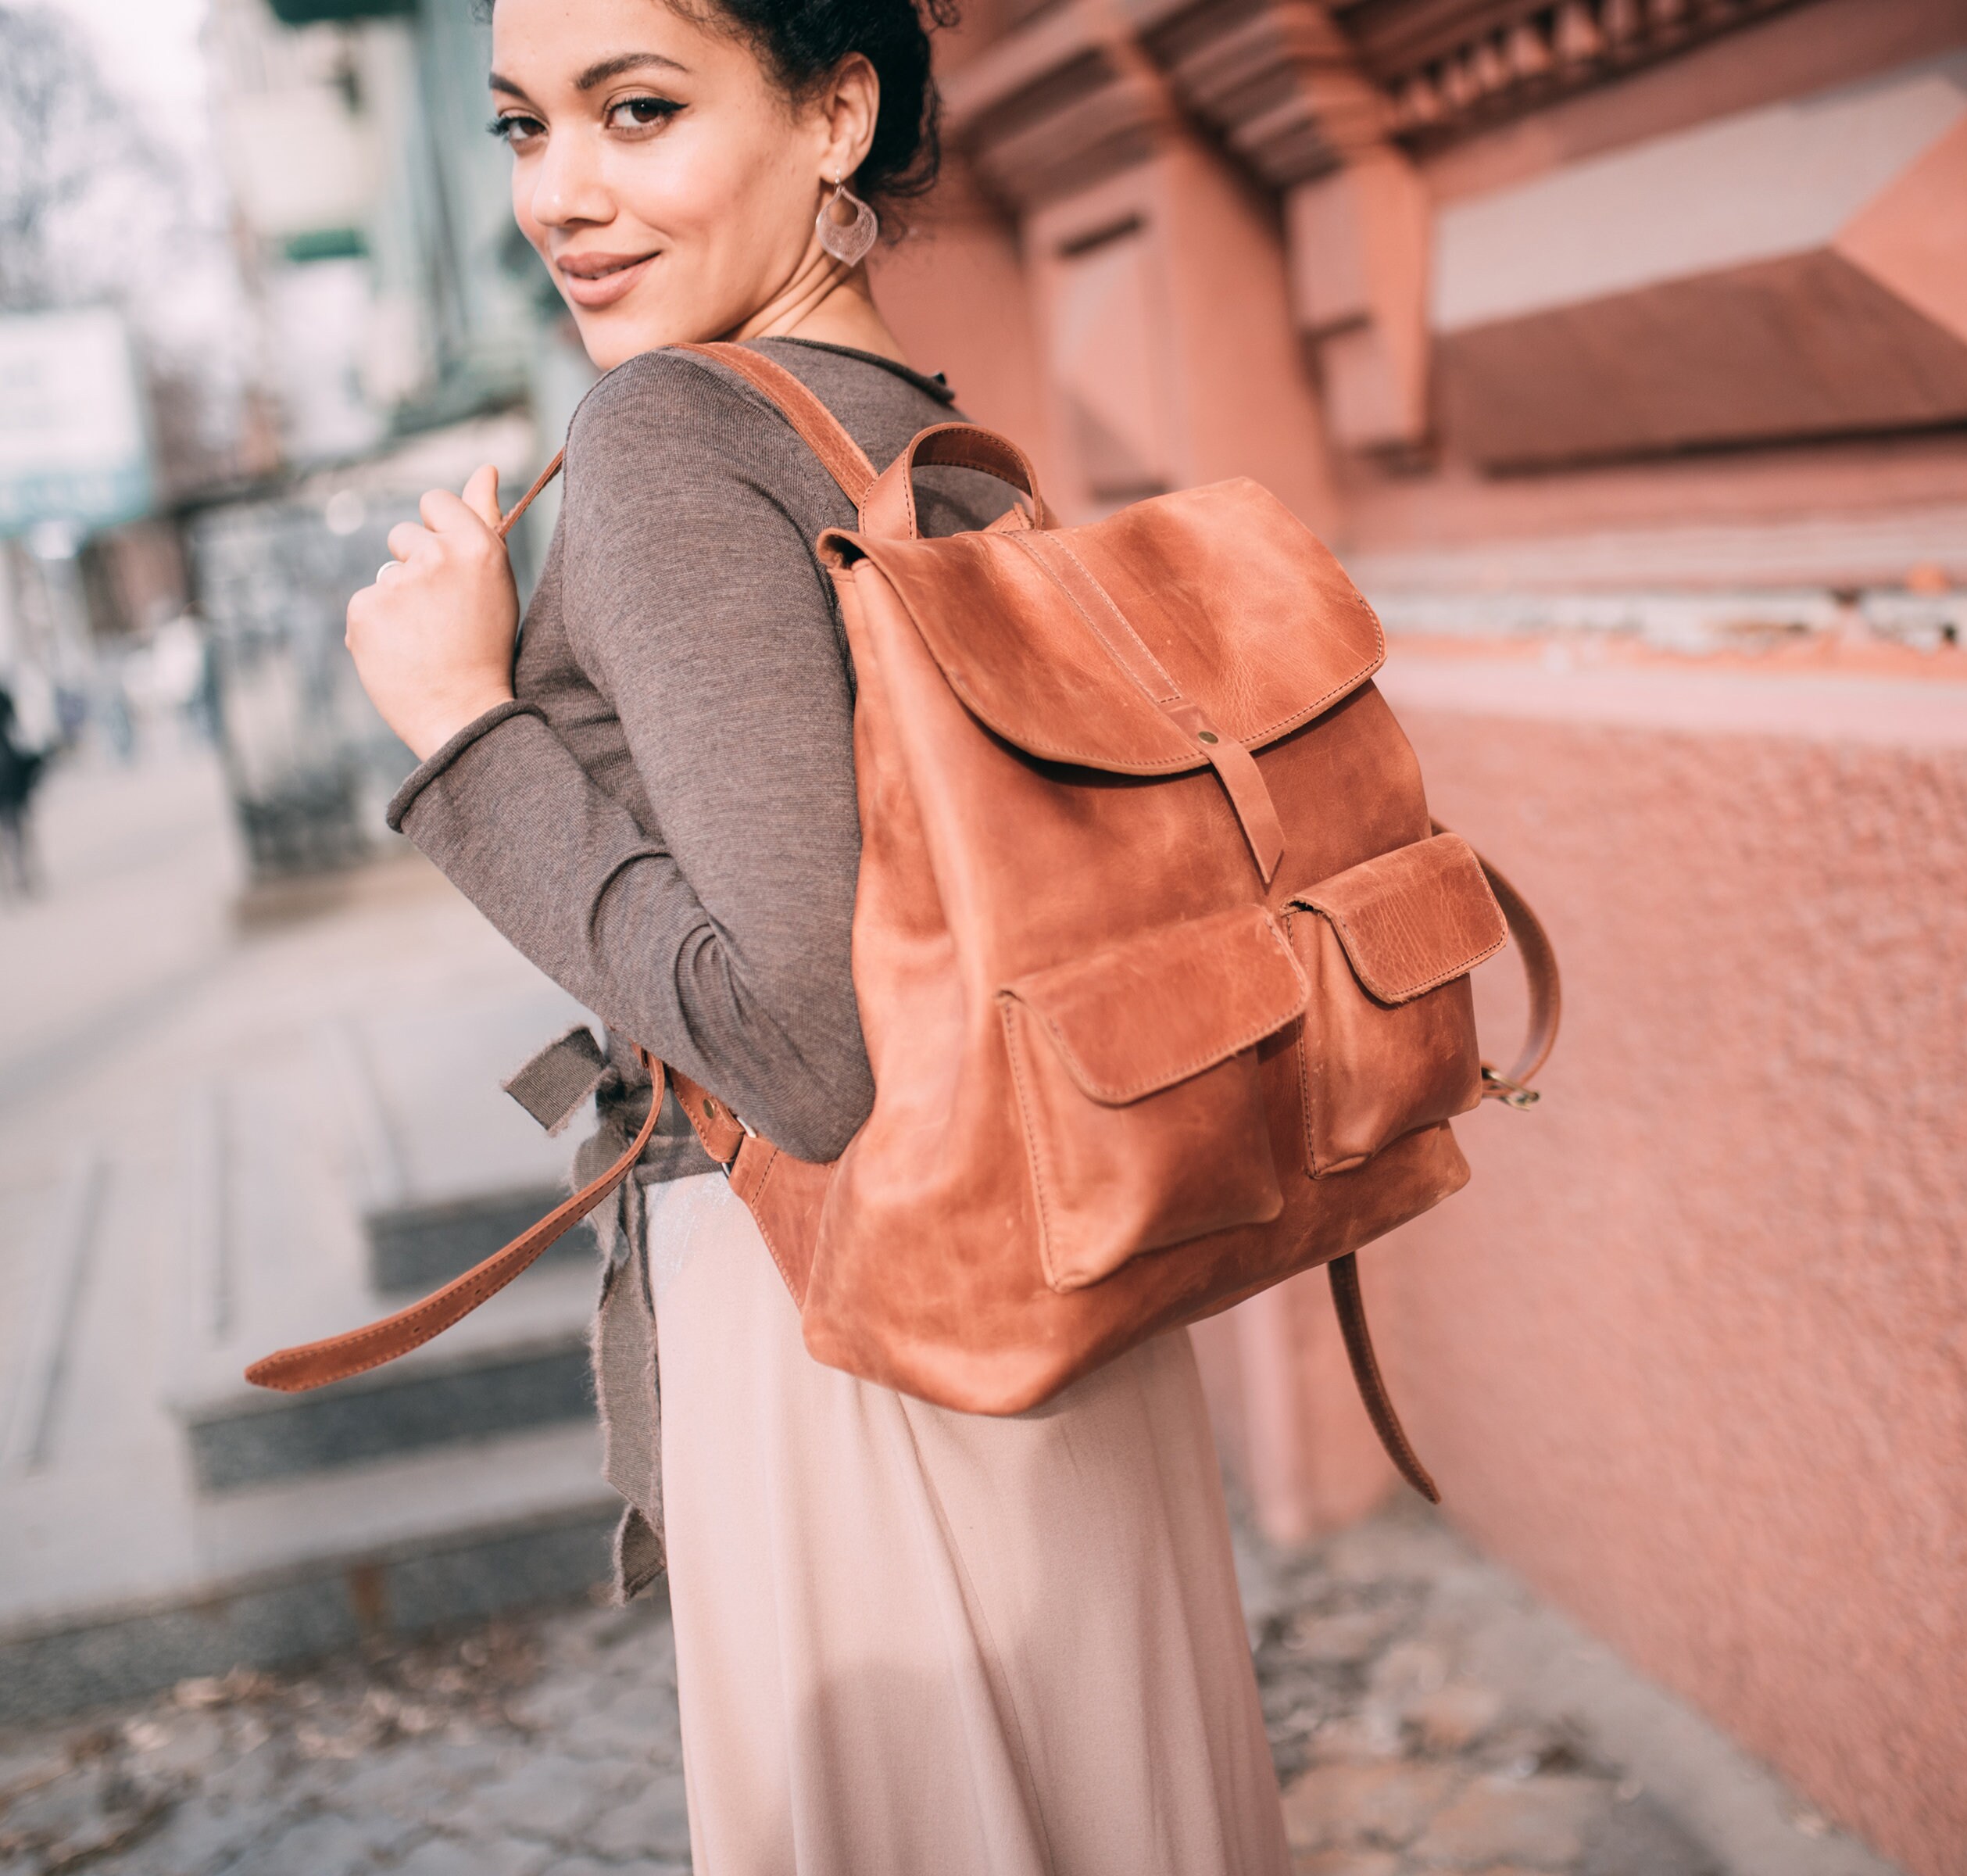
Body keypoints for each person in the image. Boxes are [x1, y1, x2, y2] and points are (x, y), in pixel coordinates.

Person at [342, 2, 1293, 1871]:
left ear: (835, 112)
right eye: (524, 127)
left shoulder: (669, 437)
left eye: (638, 111)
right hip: (1065, 1309)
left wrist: (460, 727)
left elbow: (803, 1047)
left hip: (848, 1335)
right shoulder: (923, 431)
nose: (563, 194)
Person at [0, 684, 46, 902]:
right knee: (18, 825)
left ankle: (17, 878)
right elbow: (16, 727)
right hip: (8, 767)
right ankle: (22, 876)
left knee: (13, 828)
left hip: (7, 768)